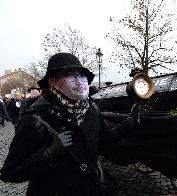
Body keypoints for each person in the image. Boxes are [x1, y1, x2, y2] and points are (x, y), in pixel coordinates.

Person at [0, 53, 139, 196]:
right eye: (70, 76)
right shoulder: (36, 118)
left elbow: (106, 139)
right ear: (53, 81)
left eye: (81, 76)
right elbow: (10, 172)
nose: (79, 82)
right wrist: (49, 154)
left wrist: (129, 123)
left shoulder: (91, 109)